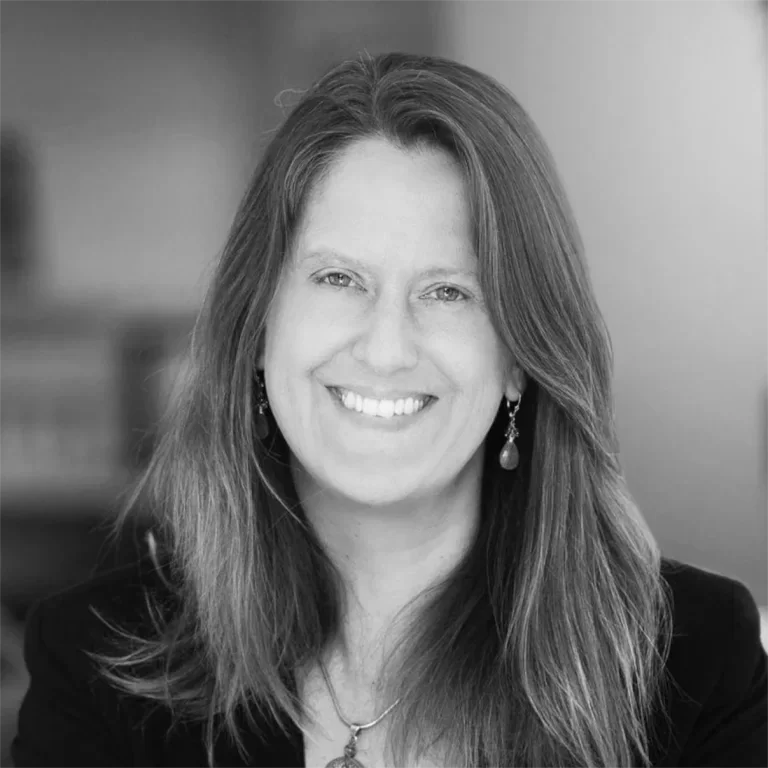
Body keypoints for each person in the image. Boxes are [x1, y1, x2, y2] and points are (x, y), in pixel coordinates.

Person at [10, 51, 768, 768]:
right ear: (260, 328)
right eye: (339, 278)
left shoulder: (696, 664)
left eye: (448, 291)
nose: (385, 347)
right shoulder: (96, 665)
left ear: (517, 359)